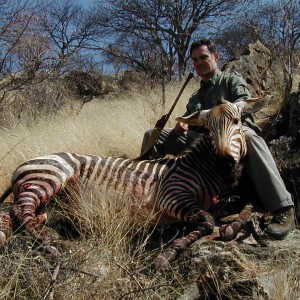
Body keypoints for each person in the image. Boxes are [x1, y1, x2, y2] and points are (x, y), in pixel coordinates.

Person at [140, 39, 295, 240]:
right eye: (194, 60)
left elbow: (242, 104)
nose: (199, 63)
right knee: (153, 134)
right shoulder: (195, 97)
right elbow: (190, 120)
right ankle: (148, 193)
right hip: (206, 145)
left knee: (250, 137)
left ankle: (283, 208)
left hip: (233, 137)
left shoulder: (231, 80)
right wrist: (183, 125)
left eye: (203, 57)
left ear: (215, 56)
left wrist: (221, 115)